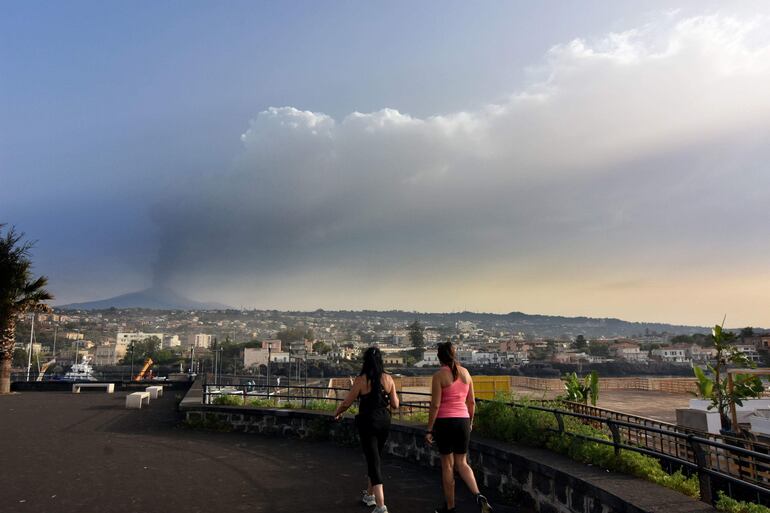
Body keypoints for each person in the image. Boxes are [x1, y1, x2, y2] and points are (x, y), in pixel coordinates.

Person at [425, 341, 492, 513]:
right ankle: (478, 494)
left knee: (447, 465)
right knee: (462, 463)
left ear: (439, 357)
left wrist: (429, 429)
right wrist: (469, 423)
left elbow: (435, 405)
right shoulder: (466, 373)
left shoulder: (439, 376)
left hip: (445, 422)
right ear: (454, 355)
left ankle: (450, 507)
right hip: (463, 420)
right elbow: (471, 402)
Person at [334, 347, 399, 513]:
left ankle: (381, 505)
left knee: (373, 461)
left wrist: (337, 413)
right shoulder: (388, 378)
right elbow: (395, 404)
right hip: (384, 421)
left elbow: (347, 402)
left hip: (368, 422)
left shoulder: (361, 380)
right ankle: (369, 496)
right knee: (375, 457)